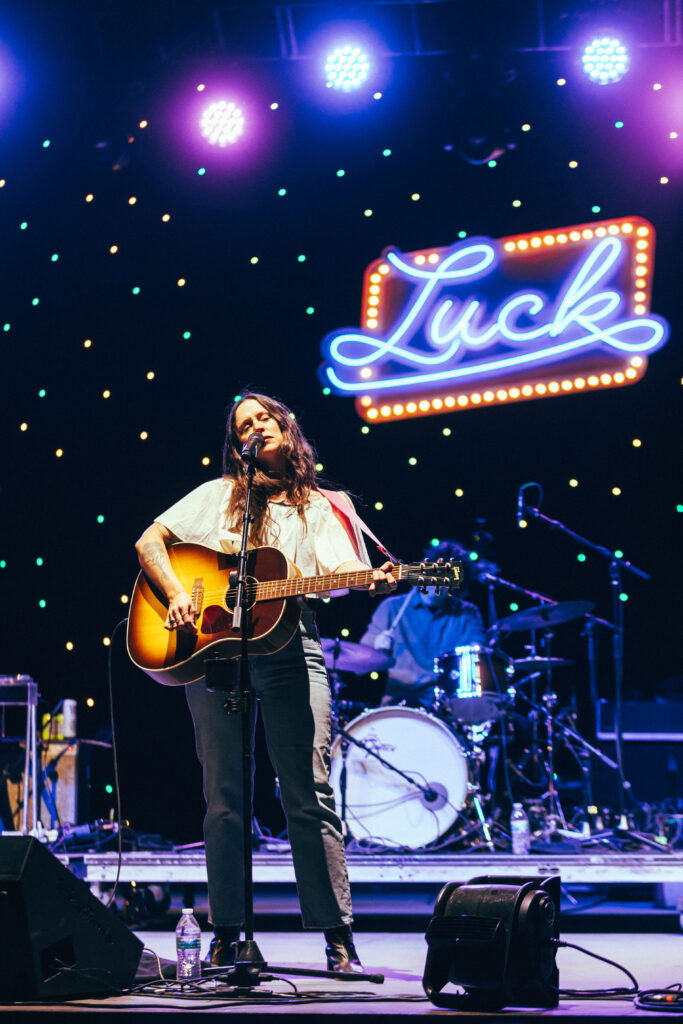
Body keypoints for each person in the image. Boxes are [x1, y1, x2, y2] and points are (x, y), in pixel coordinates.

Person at [134, 392, 396, 972]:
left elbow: (343, 578)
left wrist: (376, 580)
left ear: (286, 426)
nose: (255, 426)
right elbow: (149, 541)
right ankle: (228, 931)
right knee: (224, 797)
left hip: (293, 643)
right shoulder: (219, 497)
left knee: (308, 791)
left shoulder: (329, 505)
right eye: (243, 425)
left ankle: (337, 936)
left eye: (263, 417)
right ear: (238, 445)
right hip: (216, 652)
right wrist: (178, 593)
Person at [360, 540, 486, 709]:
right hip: (399, 700)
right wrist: (377, 645)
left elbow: (477, 654)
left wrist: (475, 651)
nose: (438, 583)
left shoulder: (467, 613)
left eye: (446, 579)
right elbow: (359, 659)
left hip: (446, 703)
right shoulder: (392, 607)